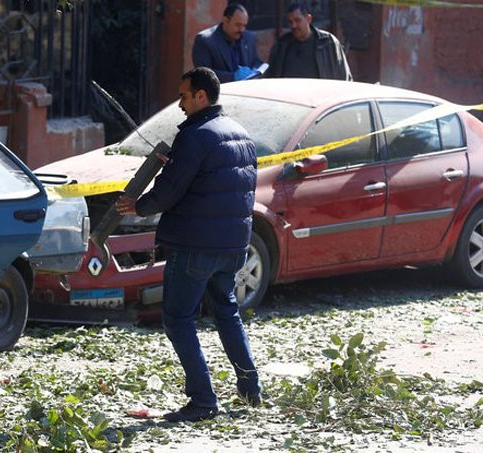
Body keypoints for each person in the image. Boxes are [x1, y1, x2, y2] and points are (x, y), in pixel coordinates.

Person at [115, 67, 262, 423]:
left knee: (178, 319)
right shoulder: (240, 134)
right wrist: (176, 163)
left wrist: (139, 205)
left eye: (183, 96)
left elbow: (171, 190)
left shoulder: (196, 135)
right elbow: (210, 180)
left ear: (201, 96)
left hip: (195, 245)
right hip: (234, 246)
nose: (179, 104)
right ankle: (250, 388)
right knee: (226, 310)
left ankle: (202, 400)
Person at [265, 2, 352, 80]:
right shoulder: (281, 45)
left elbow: (344, 76)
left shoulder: (328, 43)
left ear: (308, 19)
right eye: (290, 22)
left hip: (320, 95)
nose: (293, 25)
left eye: (297, 20)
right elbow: (271, 76)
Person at [192, 3, 265, 83]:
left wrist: (255, 71)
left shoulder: (249, 37)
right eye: (238, 25)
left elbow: (256, 61)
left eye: (244, 25)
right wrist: (233, 76)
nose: (242, 30)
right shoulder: (205, 40)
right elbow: (203, 73)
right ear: (225, 20)